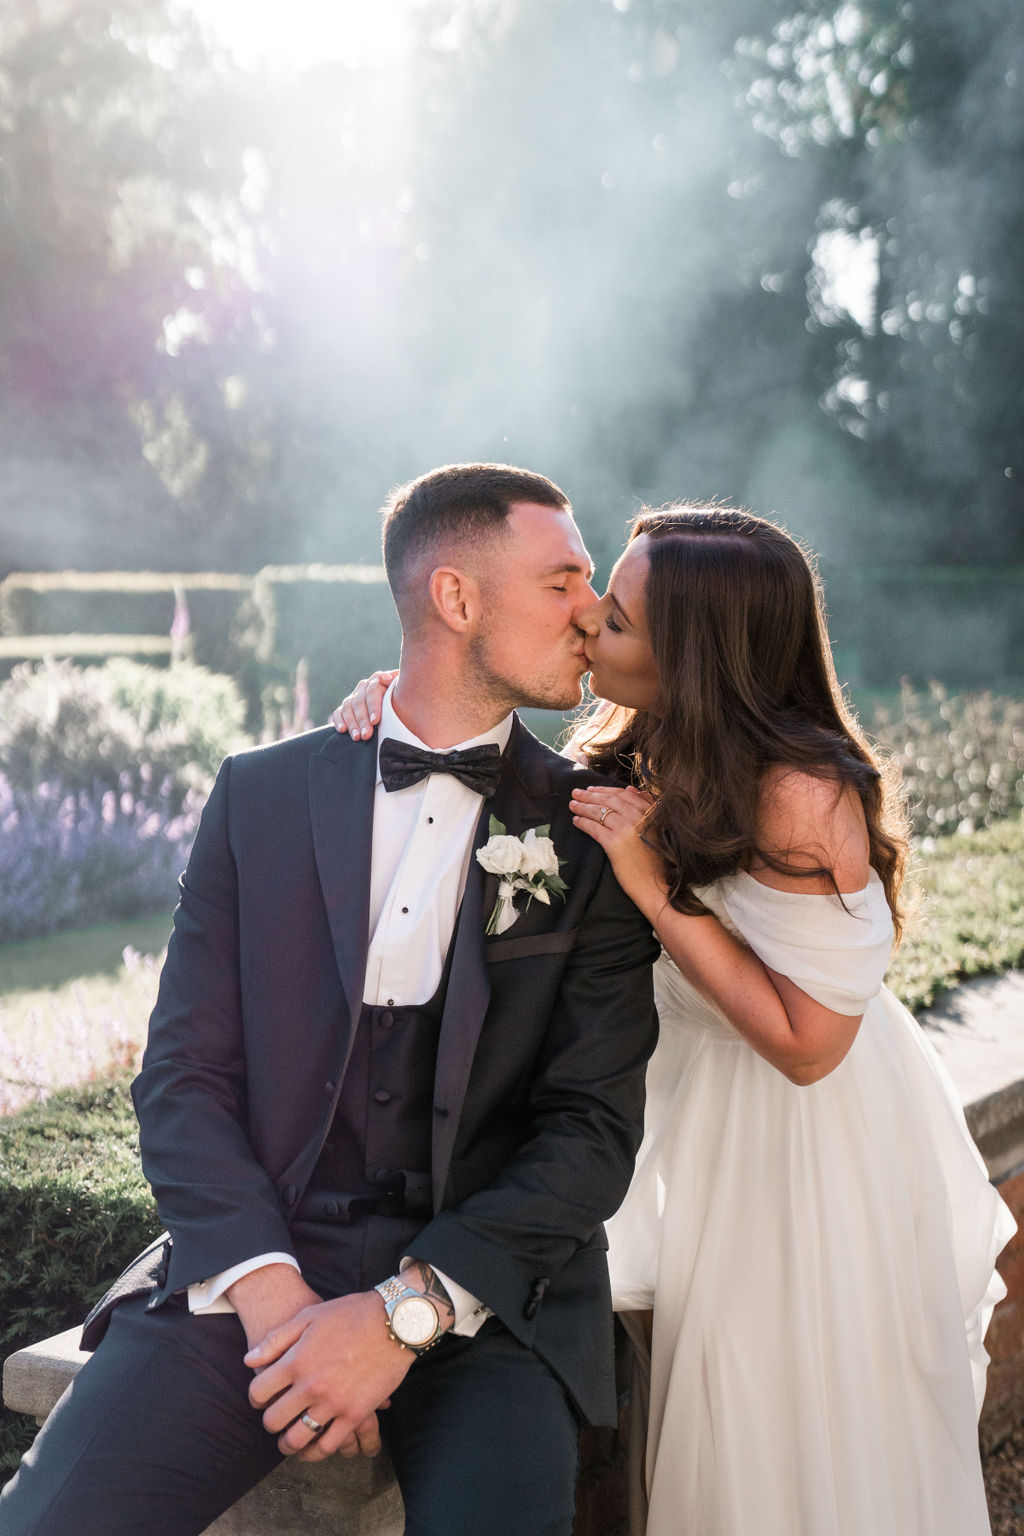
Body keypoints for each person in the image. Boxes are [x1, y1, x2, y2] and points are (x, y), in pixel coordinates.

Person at [0, 462, 660, 1536]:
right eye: (562, 581)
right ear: (455, 598)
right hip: (251, 1274)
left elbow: (589, 1133)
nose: (591, 610)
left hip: (485, 1303)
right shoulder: (257, 796)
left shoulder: (596, 838)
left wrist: (403, 1313)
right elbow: (182, 1078)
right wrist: (275, 1304)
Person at [334, 503, 1015, 1536]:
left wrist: (658, 893)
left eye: (621, 615)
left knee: (790, 1418)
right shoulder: (632, 748)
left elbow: (807, 1048)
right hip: (692, 1119)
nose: (590, 616)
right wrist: (402, 702)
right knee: (711, 1419)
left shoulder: (802, 790)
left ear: (696, 656)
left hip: (807, 1152)